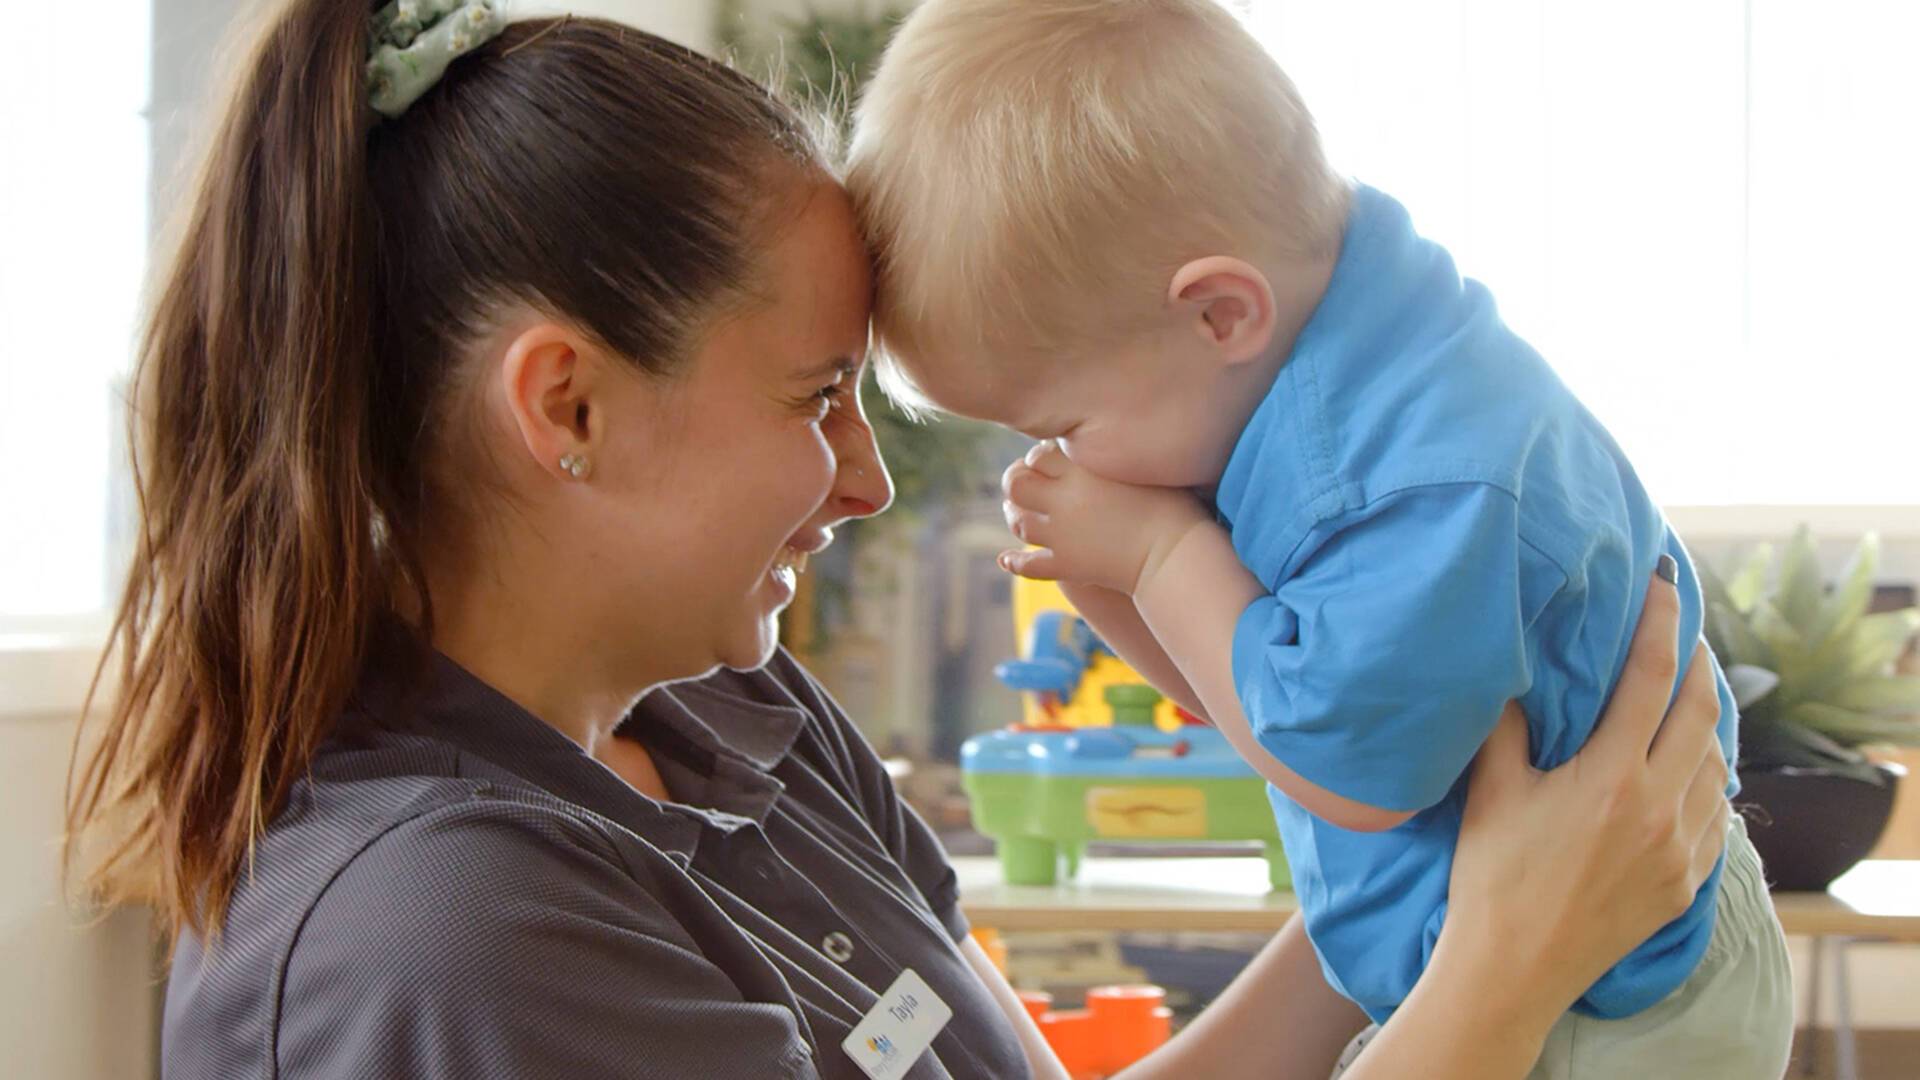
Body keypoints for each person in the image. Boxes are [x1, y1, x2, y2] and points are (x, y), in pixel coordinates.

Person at [64, 3, 1731, 1078]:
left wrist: (1438, 900)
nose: (865, 481)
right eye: (816, 398)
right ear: (564, 407)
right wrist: (1499, 975)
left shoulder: (740, 723)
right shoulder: (450, 944)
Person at [845, 0, 1793, 1075]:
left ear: (1218, 315)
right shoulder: (1314, 367)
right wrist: (1113, 587)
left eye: (1067, 424)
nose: (1076, 462)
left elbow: (1345, 773)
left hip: (1612, 1007)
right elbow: (1253, 708)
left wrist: (1162, 558)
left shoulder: (1413, 480)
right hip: (1526, 959)